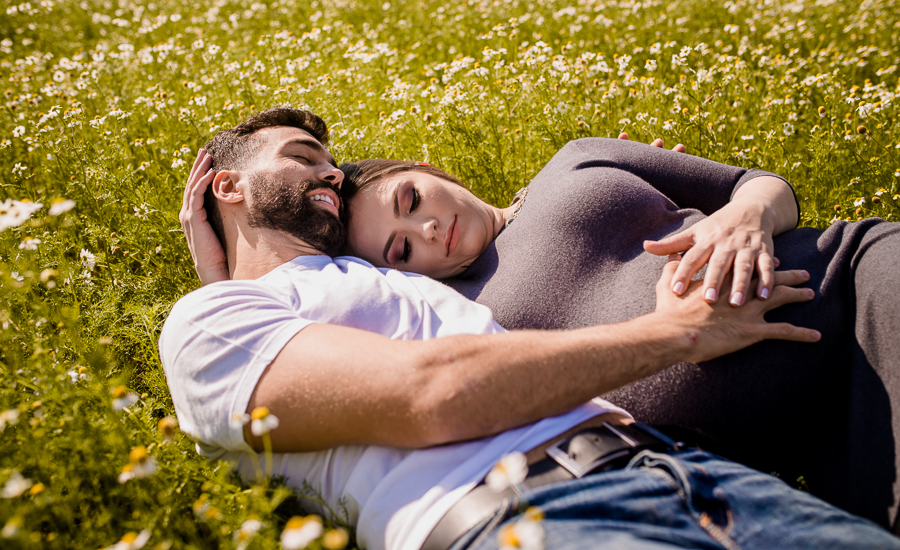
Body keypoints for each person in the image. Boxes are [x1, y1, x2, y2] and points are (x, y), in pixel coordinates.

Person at [165, 106, 899, 550]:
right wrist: (679, 333)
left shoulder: (384, 279)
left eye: (332, 164)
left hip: (689, 472)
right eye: (303, 160)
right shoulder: (212, 321)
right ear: (227, 186)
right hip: (532, 516)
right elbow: (432, 392)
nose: (330, 175)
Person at [333, 140, 900, 530]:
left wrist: (747, 215)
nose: (426, 228)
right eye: (402, 249)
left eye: (410, 200)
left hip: (853, 286)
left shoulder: (572, 161)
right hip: (798, 444)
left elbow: (756, 184)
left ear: (428, 170)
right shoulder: (453, 317)